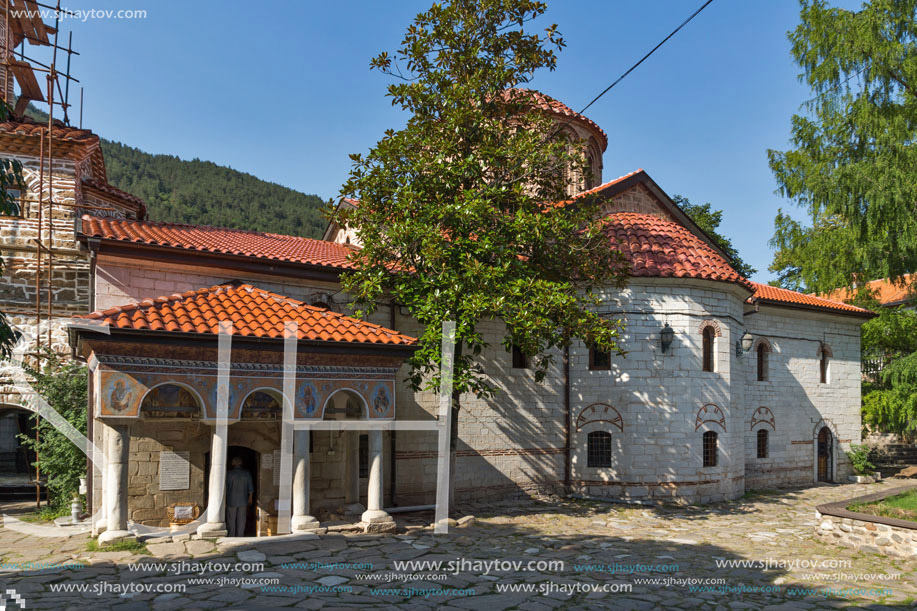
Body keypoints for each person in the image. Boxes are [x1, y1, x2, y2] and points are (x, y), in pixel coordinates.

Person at [225, 456, 253, 537]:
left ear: (233, 463)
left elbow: (226, 489)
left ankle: (231, 536)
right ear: (241, 463)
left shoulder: (229, 473)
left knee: (231, 520)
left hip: (231, 500)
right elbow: (250, 488)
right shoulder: (247, 473)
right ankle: (240, 536)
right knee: (242, 520)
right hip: (243, 500)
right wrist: (250, 499)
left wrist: (225, 501)